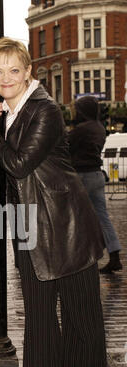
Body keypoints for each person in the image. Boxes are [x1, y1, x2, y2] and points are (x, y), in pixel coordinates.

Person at [0, 37, 108, 367]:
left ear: (28, 71)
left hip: (68, 224)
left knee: (80, 315)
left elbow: (18, 164)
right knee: (40, 317)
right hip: (30, 226)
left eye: (14, 70)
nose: (5, 77)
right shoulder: (7, 111)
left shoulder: (44, 109)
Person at [68, 96, 122, 274]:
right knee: (102, 217)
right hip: (96, 175)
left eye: (77, 109)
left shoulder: (81, 129)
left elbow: (64, 145)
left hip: (81, 176)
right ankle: (114, 255)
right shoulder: (99, 127)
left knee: (75, 218)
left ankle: (81, 259)